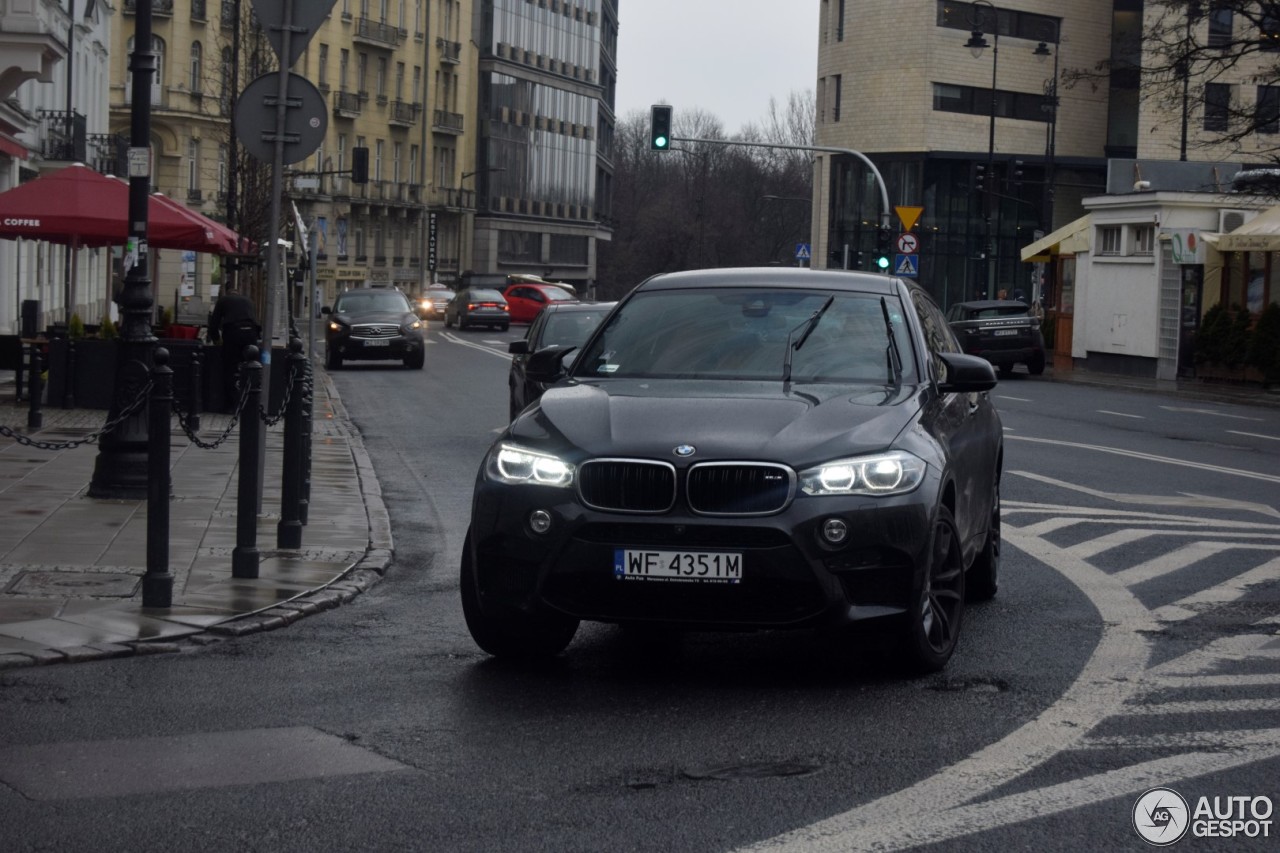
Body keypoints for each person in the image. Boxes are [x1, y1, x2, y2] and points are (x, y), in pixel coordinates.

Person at [208, 286, 261, 412]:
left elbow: (214, 324)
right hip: (251, 333)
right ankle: (250, 401)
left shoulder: (223, 300)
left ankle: (231, 405)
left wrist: (216, 340)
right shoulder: (248, 300)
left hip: (233, 333)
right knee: (250, 366)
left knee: (230, 369)